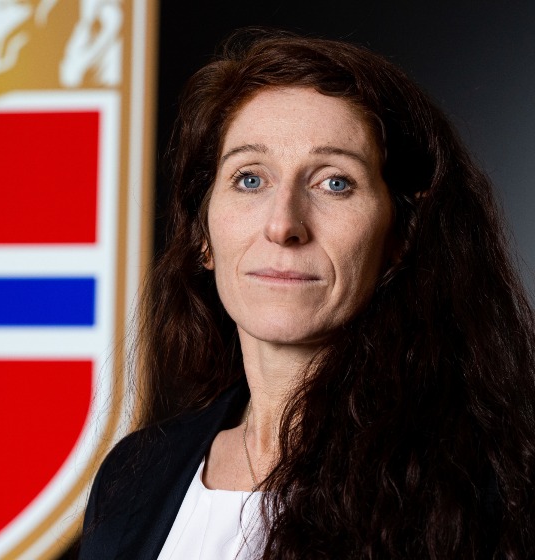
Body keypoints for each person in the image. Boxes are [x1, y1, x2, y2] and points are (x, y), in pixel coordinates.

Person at [80, 29, 535, 559]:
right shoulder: (133, 477)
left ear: (401, 235)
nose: (283, 225)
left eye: (334, 182)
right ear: (202, 234)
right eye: (250, 179)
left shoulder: (488, 485)